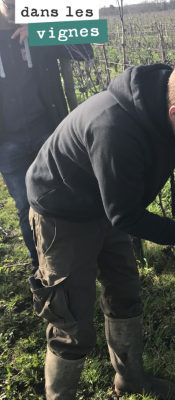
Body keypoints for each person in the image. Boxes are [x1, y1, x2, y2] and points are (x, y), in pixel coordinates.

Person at [26, 50, 175, 399]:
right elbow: (124, 216)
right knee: (72, 321)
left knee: (125, 295)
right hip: (63, 213)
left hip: (112, 205)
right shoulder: (114, 129)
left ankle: (130, 380)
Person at [0, 0, 93, 272]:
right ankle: (40, 264)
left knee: (63, 195)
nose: (16, 7)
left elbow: (87, 44)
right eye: (9, 3)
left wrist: (43, 30)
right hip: (6, 142)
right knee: (23, 206)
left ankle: (73, 259)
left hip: (47, 132)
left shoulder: (40, 31)